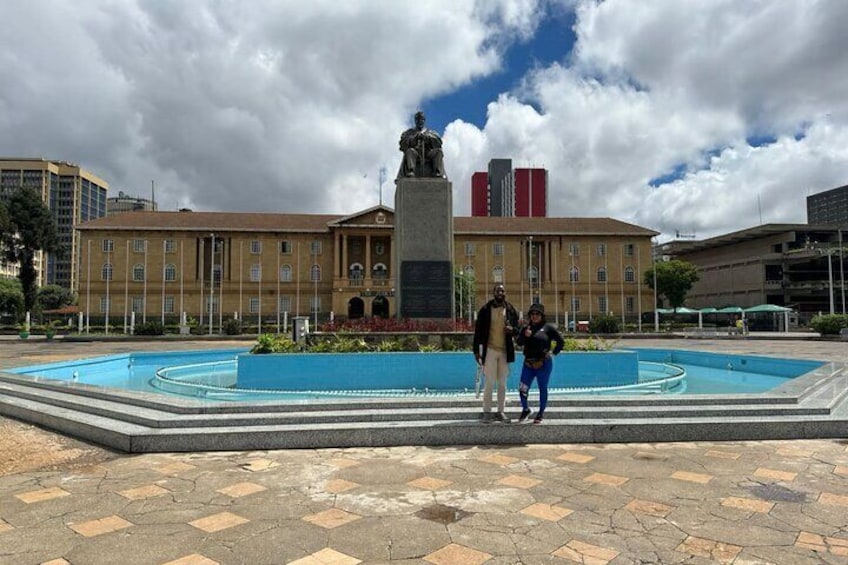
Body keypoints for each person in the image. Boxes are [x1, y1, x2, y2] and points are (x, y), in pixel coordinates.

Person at [473, 284, 519, 423]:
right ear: (494, 293)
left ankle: (500, 411)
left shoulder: (510, 310)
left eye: (503, 290)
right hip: (490, 350)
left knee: (502, 384)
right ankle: (487, 411)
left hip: (505, 351)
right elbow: (478, 332)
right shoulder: (485, 310)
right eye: (498, 290)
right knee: (489, 383)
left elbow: (518, 329)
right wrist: (476, 351)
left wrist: (512, 329)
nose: (500, 292)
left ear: (505, 293)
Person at [515, 303, 563, 424]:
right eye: (532, 314)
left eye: (537, 314)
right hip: (528, 364)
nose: (535, 316)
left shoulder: (548, 328)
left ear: (542, 315)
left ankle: (541, 412)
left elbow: (560, 341)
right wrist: (525, 336)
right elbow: (519, 342)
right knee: (522, 389)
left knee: (543, 388)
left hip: (543, 364)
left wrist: (553, 352)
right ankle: (526, 409)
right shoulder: (526, 328)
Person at [397, 111, 446, 178]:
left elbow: (438, 142)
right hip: (416, 153)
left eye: (422, 119)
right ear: (415, 121)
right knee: (410, 151)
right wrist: (415, 138)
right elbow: (403, 144)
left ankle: (437, 172)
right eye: (418, 119)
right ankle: (411, 171)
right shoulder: (409, 132)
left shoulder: (430, 132)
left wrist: (428, 138)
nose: (420, 121)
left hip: (428, 153)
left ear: (424, 121)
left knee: (438, 151)